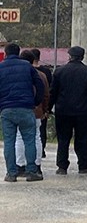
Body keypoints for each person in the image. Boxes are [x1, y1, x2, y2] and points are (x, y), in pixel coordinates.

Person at [49, 46, 87, 175]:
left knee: (63, 140)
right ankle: (83, 165)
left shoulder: (59, 71)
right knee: (82, 139)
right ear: (82, 57)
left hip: (63, 111)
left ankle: (62, 167)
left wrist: (48, 108)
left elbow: (53, 93)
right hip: (83, 112)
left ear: (69, 56)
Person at [0, 43, 44, 182]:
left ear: (6, 54)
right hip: (26, 108)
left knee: (9, 142)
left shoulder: (0, 67)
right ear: (18, 53)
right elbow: (39, 85)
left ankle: (11, 174)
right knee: (30, 140)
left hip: (6, 109)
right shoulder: (27, 66)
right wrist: (36, 102)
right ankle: (31, 172)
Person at [15, 50, 50, 176]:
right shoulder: (41, 75)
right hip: (36, 111)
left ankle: (20, 166)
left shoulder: (17, 74)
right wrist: (45, 110)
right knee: (36, 137)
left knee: (19, 137)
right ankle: (36, 165)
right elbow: (46, 95)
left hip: (20, 108)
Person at [31, 48, 52, 158]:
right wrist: (47, 109)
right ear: (39, 57)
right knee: (41, 131)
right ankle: (41, 150)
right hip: (40, 107)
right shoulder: (46, 72)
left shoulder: (26, 71)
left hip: (27, 106)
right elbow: (48, 92)